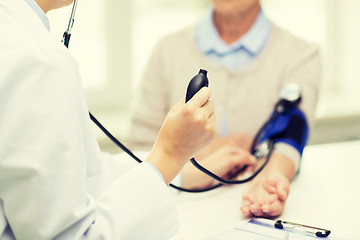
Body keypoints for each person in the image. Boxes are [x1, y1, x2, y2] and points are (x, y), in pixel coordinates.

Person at [0, 0, 216, 239]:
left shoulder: (17, 35)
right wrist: (171, 154)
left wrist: (183, 172)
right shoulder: (36, 60)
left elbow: (78, 176)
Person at [126, 0, 321, 218]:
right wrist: (206, 151)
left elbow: (291, 136)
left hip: (245, 219)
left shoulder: (302, 55)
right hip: (179, 217)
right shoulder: (166, 51)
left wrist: (272, 179)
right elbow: (138, 152)